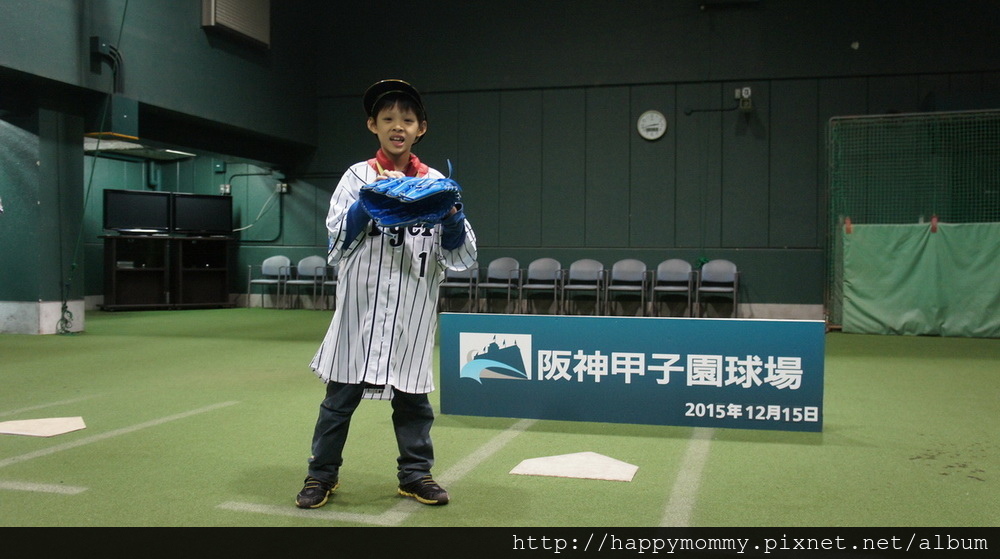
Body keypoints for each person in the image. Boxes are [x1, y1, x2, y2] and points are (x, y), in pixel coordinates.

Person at [296, 79, 477, 509]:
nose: (398, 126)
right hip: (360, 311)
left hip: (411, 311)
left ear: (421, 129)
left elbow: (463, 256)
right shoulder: (356, 176)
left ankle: (416, 474)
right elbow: (336, 242)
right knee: (338, 400)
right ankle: (320, 475)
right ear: (372, 125)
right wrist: (367, 203)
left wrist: (452, 219)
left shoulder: (436, 182)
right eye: (389, 119)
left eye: (407, 119)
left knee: (414, 402)